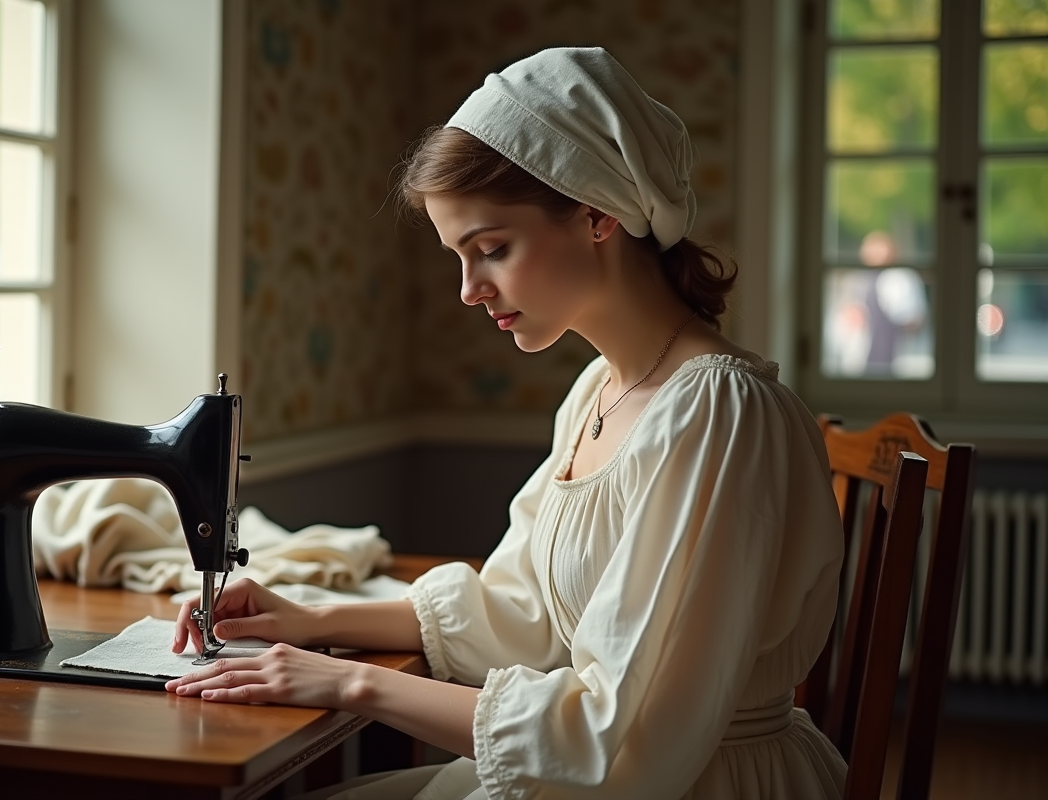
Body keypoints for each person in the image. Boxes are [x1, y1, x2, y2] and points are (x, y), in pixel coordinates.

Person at [167, 47, 847, 800]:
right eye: (461, 257)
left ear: (598, 214)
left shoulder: (720, 414)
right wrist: (307, 617)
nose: (468, 289)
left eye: (491, 249)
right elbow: (521, 613)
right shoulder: (601, 390)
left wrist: (345, 682)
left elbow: (615, 731)